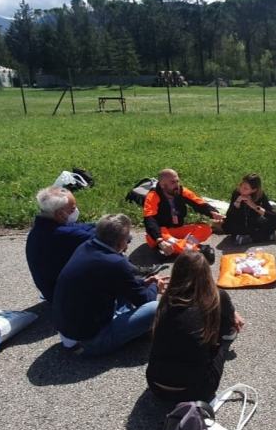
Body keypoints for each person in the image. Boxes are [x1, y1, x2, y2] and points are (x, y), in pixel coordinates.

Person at [53, 214, 167, 356]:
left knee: (124, 285)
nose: (128, 243)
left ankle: (128, 325)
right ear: (120, 243)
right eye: (128, 240)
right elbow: (145, 300)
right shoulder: (116, 263)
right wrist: (155, 285)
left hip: (70, 333)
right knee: (155, 308)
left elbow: (121, 280)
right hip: (90, 342)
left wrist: (143, 283)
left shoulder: (86, 247)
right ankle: (124, 332)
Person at [146, 251, 245, 402]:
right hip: (196, 392)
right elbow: (225, 328)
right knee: (224, 340)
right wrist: (230, 315)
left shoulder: (167, 299)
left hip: (156, 386)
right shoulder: (217, 296)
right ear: (206, 273)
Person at [25, 186, 95, 303]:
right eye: (72, 209)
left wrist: (97, 226)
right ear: (60, 214)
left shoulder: (40, 229)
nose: (76, 210)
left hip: (51, 291)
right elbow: (110, 239)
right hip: (69, 299)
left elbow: (82, 227)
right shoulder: (68, 236)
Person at [143, 168, 223, 263]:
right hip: (160, 234)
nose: (177, 185)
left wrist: (212, 212)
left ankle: (179, 249)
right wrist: (160, 241)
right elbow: (149, 220)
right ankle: (196, 251)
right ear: (162, 185)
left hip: (177, 230)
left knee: (205, 229)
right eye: (173, 182)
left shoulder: (181, 191)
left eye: (177, 181)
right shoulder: (153, 196)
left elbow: (198, 203)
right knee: (170, 241)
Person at [222, 173, 276, 245]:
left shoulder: (260, 195)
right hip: (240, 224)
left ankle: (249, 238)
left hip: (254, 223)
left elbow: (273, 215)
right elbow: (229, 216)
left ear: (254, 190)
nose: (242, 189)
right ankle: (265, 236)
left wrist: (254, 206)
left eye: (246, 188)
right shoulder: (237, 192)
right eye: (241, 186)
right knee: (227, 226)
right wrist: (237, 202)